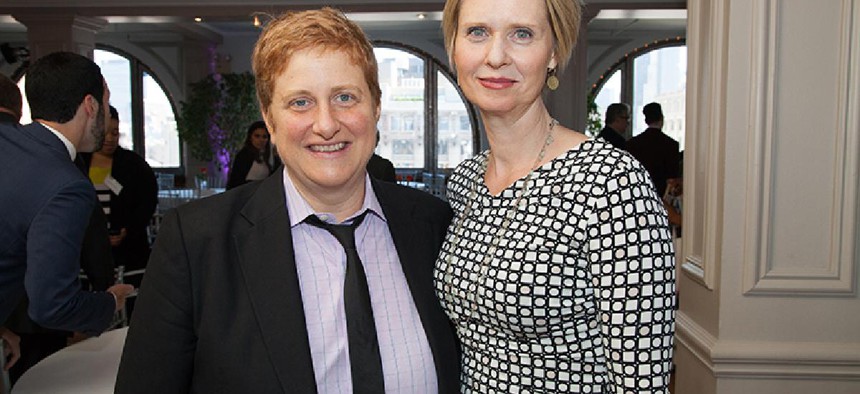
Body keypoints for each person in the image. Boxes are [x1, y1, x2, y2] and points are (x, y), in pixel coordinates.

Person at [116, 8, 459, 393]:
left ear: (376, 107)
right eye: (300, 102)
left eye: (345, 97)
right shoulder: (196, 243)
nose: (326, 124)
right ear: (270, 119)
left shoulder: (433, 226)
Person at [434, 0, 677, 392]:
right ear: (455, 48)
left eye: (522, 34)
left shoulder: (610, 182)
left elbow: (641, 383)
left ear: (554, 53)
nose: (496, 56)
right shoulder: (466, 182)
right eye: (477, 32)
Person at [0, 52, 134, 337]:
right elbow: (53, 305)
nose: (109, 116)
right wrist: (110, 302)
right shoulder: (67, 186)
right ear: (90, 105)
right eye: (107, 103)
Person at [625, 102, 681, 198]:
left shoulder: (632, 144)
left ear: (646, 120)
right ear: (661, 119)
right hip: (661, 197)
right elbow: (672, 178)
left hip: (638, 194)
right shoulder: (671, 145)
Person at [226, 120, 281, 189]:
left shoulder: (270, 157)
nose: (261, 140)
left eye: (264, 137)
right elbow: (235, 181)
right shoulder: (244, 156)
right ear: (250, 137)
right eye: (257, 136)